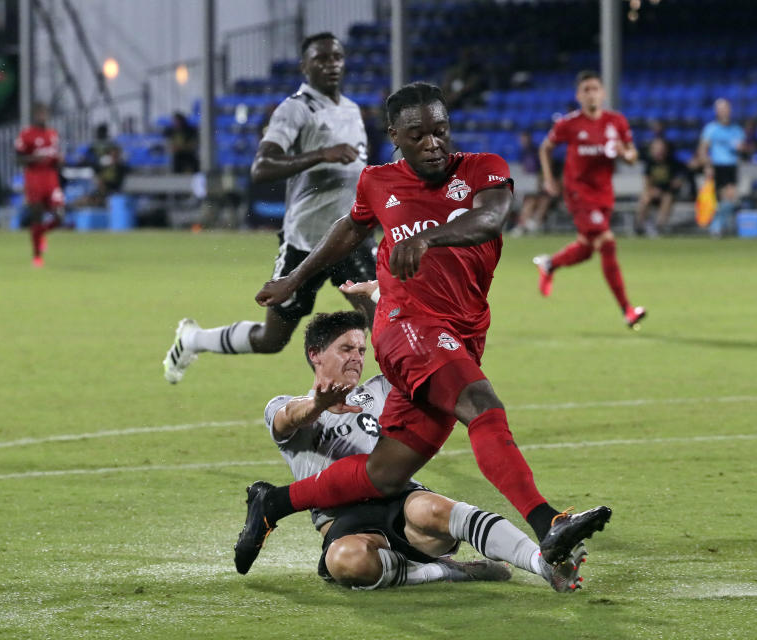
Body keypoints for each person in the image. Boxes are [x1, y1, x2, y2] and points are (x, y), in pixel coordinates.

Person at [236, 82, 612, 576]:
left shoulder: (483, 168)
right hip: (404, 324)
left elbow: (491, 220)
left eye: (440, 131)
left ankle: (273, 504)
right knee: (482, 407)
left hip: (462, 331)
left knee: (385, 472)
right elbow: (350, 228)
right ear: (395, 135)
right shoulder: (378, 181)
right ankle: (549, 523)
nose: (433, 143)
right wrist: (295, 278)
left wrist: (429, 238)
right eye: (418, 135)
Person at [260, 303, 587, 591]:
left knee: (435, 509)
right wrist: (318, 403)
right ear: (315, 354)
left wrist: (380, 299)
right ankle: (444, 571)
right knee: (347, 561)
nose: (357, 358)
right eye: (346, 349)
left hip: (403, 504)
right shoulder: (285, 405)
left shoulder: (380, 389)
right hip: (345, 525)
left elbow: (416, 356)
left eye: (361, 350)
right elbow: (288, 418)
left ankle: (542, 563)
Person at [163, 32, 373, 383]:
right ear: (304, 66)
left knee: (383, 321)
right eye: (320, 59)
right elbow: (261, 167)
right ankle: (193, 339)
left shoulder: (351, 110)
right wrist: (321, 154)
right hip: (305, 241)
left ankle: (386, 411)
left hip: (349, 237)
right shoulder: (295, 109)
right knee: (271, 338)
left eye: (336, 57)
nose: (330, 64)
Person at [534, 71, 646, 328]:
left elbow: (633, 155)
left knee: (586, 249)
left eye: (595, 88)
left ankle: (549, 264)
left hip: (604, 193)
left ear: (603, 93)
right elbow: (546, 147)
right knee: (607, 243)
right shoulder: (569, 124)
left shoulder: (616, 122)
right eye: (586, 89)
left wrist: (624, 154)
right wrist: (549, 178)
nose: (591, 93)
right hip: (578, 191)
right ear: (578, 95)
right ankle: (627, 310)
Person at [14, 102, 64, 267]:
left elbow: (55, 156)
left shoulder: (53, 134)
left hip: (51, 178)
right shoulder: (26, 135)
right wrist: (35, 159)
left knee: (60, 216)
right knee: (37, 215)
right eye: (41, 113)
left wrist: (59, 161)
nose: (44, 116)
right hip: (34, 178)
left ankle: (41, 233)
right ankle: (37, 256)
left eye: (45, 113)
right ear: (35, 115)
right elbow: (17, 159)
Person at [697, 98, 744, 236]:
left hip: (732, 166)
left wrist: (742, 148)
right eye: (721, 109)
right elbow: (702, 150)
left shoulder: (737, 129)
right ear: (717, 111)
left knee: (731, 198)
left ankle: (718, 225)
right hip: (717, 166)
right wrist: (707, 165)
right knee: (725, 197)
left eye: (726, 109)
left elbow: (742, 147)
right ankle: (717, 226)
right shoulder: (710, 129)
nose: (724, 112)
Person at [636, 138, 686, 237]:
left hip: (667, 192)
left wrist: (666, 189)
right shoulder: (650, 163)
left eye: (660, 148)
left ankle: (659, 227)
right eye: (656, 148)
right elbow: (647, 181)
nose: (658, 150)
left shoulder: (672, 162)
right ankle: (639, 226)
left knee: (667, 198)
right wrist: (650, 191)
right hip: (653, 192)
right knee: (645, 198)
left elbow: (677, 181)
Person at [511, 131, 559, 236]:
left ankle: (531, 223)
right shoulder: (523, 151)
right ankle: (524, 224)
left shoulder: (534, 150)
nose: (522, 140)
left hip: (537, 180)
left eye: (523, 138)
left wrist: (543, 179)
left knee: (539, 200)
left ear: (528, 138)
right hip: (529, 182)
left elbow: (541, 166)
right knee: (531, 200)